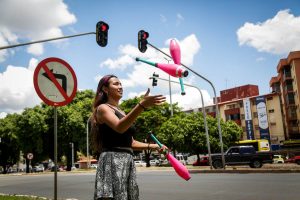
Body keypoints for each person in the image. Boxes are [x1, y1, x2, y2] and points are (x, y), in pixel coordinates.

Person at [91, 74, 167, 200]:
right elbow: (119, 127)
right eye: (116, 84)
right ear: (105, 89)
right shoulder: (103, 108)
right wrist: (141, 105)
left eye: (121, 84)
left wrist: (155, 146)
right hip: (112, 160)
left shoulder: (121, 111)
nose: (120, 86)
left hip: (127, 160)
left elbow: (130, 142)